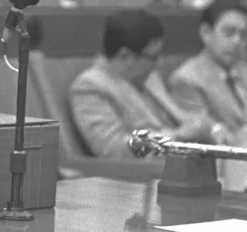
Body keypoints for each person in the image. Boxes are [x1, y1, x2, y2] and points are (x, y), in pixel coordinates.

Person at [71, 9, 221, 159]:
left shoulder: (149, 78)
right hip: (143, 174)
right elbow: (113, 148)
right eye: (153, 57)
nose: (159, 62)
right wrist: (177, 136)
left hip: (182, 160)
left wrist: (210, 127)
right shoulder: (90, 86)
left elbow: (180, 116)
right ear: (125, 55)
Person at [169, 3, 247, 191]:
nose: (237, 41)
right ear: (206, 33)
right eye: (229, 33)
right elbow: (199, 127)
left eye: (243, 35)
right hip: (228, 166)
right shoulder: (187, 78)